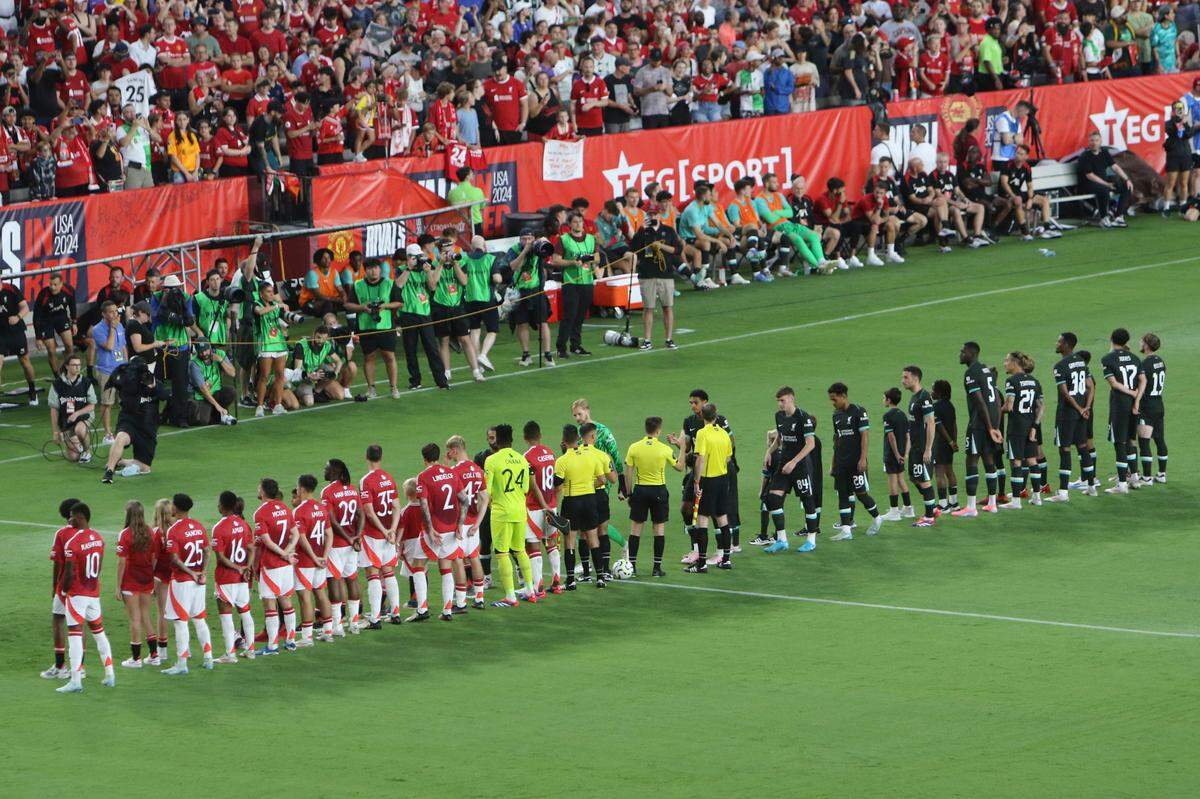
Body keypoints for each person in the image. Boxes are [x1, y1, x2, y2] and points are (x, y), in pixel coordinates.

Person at [55, 502, 117, 693]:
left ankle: (75, 681)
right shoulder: (98, 538)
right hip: (93, 593)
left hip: (77, 594)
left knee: (74, 635)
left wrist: (64, 592)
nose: (70, 519)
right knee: (99, 633)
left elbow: (69, 573)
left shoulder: (73, 542)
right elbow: (99, 568)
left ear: (81, 517)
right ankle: (110, 674)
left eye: (72, 516)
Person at [482, 424, 539, 605]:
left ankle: (510, 596)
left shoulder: (492, 460)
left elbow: (486, 490)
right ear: (512, 440)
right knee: (520, 550)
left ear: (497, 440)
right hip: (520, 510)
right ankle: (530, 590)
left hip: (501, 512)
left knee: (502, 553)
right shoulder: (522, 459)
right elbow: (525, 488)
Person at [161, 493, 216, 675]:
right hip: (199, 582)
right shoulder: (199, 526)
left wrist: (192, 573)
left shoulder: (174, 530)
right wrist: (203, 572)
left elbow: (175, 559)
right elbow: (207, 551)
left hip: (182, 582)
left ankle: (182, 663)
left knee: (180, 622)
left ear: (176, 508)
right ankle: (208, 658)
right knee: (199, 619)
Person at [623, 416, 684, 576]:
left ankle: (632, 567)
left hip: (640, 490)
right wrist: (683, 448)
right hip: (658, 491)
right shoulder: (664, 449)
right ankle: (656, 568)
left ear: (646, 429)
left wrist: (629, 493)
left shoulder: (634, 448)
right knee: (659, 528)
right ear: (658, 430)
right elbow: (679, 467)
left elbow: (628, 472)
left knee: (636, 529)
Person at [415, 442, 469, 620]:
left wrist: (430, 530)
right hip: (451, 529)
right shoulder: (452, 473)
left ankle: (422, 610)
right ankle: (447, 611)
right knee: (446, 567)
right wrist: (460, 524)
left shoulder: (423, 476)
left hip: (435, 531)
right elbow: (465, 500)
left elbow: (423, 505)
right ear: (437, 456)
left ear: (424, 459)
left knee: (418, 566)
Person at [952, 342, 1004, 517]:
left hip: (979, 424)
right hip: (991, 422)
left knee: (972, 461)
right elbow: (997, 399)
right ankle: (992, 503)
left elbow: (980, 402)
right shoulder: (987, 371)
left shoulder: (971, 373)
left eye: (962, 351)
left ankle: (971, 507)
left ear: (971, 353)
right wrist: (996, 426)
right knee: (989, 460)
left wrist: (990, 428)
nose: (960, 354)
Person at [826, 383, 883, 541]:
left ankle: (877, 518)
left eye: (834, 399)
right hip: (841, 463)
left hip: (856, 462)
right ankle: (846, 530)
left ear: (843, 395)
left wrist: (863, 458)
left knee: (861, 493)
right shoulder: (835, 415)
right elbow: (837, 440)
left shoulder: (859, 411)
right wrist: (833, 463)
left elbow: (865, 435)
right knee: (843, 494)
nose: (833, 402)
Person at [101, 354, 169, 484]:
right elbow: (117, 385)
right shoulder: (127, 385)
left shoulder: (151, 380)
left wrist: (153, 386)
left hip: (148, 427)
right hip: (130, 422)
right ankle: (109, 471)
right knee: (121, 438)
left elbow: (165, 395)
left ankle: (119, 461)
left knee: (145, 469)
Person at [555, 423, 605, 590]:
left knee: (570, 540)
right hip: (590, 500)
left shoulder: (562, 460)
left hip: (571, 502)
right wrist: (588, 485)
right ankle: (600, 577)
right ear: (578, 439)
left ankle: (570, 580)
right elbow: (602, 480)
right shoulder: (591, 457)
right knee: (593, 537)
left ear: (563, 440)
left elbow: (557, 483)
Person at [357, 444, 403, 628]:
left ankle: (375, 618)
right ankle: (396, 612)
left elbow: (368, 511)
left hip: (373, 535)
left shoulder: (366, 481)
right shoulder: (388, 478)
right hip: (388, 534)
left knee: (373, 574)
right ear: (381, 457)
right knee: (389, 572)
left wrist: (384, 532)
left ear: (366, 457)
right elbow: (397, 506)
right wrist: (391, 530)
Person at [686, 402, 735, 571]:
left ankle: (701, 564)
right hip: (723, 479)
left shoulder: (702, 433)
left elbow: (700, 459)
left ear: (703, 417)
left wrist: (696, 481)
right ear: (716, 416)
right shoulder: (723, 434)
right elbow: (729, 457)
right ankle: (726, 559)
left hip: (708, 480)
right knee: (722, 518)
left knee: (702, 521)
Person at [252, 478, 299, 653]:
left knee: (270, 604)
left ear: (263, 492)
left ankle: (272, 645)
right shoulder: (285, 508)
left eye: (259, 487)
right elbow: (295, 534)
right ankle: (291, 640)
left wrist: (281, 553)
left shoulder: (260, 513)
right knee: (287, 602)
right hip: (286, 565)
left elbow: (266, 541)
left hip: (271, 565)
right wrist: (287, 551)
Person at [430, 238, 486, 384]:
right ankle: (446, 372)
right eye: (445, 249)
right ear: (440, 250)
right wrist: (441, 264)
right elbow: (432, 284)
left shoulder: (461, 261)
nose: (448, 252)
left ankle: (475, 371)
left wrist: (454, 264)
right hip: (440, 306)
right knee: (444, 340)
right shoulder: (433, 264)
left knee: (465, 339)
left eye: (450, 248)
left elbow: (464, 281)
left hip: (457, 305)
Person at [1048, 332, 1095, 502]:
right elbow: (1091, 386)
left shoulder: (1060, 365)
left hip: (1067, 414)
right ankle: (1091, 487)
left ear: (1067, 344)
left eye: (1059, 341)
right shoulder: (1081, 362)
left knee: (1065, 449)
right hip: (1082, 414)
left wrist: (1078, 407)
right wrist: (1086, 408)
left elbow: (1064, 392)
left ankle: (1063, 493)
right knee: (1083, 447)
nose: (1056, 343)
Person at [395, 245, 450, 390]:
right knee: (410, 350)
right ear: (408, 258)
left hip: (425, 313)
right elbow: (398, 285)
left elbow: (432, 287)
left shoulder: (426, 267)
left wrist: (428, 273)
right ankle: (415, 381)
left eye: (419, 256)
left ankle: (441, 381)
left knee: (432, 349)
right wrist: (409, 268)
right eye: (414, 257)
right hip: (408, 313)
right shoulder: (401, 270)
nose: (418, 259)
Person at [344, 257, 401, 397]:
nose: (373, 271)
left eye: (375, 268)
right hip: (365, 327)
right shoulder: (357, 285)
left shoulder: (389, 283)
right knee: (369, 357)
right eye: (370, 268)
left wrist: (385, 306)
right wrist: (363, 308)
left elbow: (399, 303)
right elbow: (347, 305)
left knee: (389, 356)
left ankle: (394, 387)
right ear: (365, 270)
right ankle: (371, 388)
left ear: (380, 269)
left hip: (386, 326)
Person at [41, 497, 83, 680]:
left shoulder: (62, 534)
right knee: (79, 625)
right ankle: (80, 667)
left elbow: (58, 563)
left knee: (58, 619)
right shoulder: (89, 533)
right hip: (86, 588)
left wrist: (54, 587)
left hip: (66, 586)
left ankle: (60, 666)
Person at [211, 492, 256, 663]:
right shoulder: (243, 524)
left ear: (222, 506)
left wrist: (238, 568)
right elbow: (251, 548)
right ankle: (250, 650)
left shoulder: (219, 528)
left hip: (226, 578)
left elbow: (220, 557)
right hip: (242, 578)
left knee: (226, 616)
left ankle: (230, 654)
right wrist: (246, 567)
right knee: (245, 612)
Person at [552, 212, 601, 359]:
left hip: (587, 282)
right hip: (570, 283)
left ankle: (576, 345)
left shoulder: (592, 239)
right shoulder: (563, 240)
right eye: (575, 222)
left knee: (580, 316)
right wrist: (572, 262)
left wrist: (589, 260)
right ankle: (561, 347)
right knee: (569, 316)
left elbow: (597, 258)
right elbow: (556, 260)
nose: (579, 224)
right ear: (570, 224)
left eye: (580, 221)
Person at [519, 422, 562, 594]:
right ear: (540, 435)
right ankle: (557, 582)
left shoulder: (526, 457)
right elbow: (557, 482)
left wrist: (543, 505)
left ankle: (538, 586)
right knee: (551, 543)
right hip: (552, 505)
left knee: (534, 545)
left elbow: (531, 484)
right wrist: (552, 504)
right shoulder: (551, 453)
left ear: (525, 437)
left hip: (535, 507)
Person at [630, 210, 682, 350]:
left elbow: (678, 249)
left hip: (665, 274)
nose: (652, 217)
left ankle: (669, 339)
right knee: (648, 308)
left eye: (655, 214)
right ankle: (647, 340)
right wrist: (640, 229)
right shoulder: (643, 232)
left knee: (667, 307)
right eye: (650, 215)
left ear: (659, 216)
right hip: (647, 274)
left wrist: (661, 246)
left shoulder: (668, 230)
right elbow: (633, 248)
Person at [115, 500, 158, 669]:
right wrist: (150, 574)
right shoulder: (149, 531)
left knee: (134, 618)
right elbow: (154, 556)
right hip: (146, 579)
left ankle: (136, 658)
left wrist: (118, 586)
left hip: (130, 581)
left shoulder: (125, 534)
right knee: (146, 615)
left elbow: (121, 562)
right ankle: (154, 655)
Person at [321, 458, 362, 635]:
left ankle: (337, 626)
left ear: (334, 472)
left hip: (337, 544)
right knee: (352, 579)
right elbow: (361, 515)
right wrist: (356, 536)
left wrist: (348, 537)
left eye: (327, 468)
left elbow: (331, 520)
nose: (324, 470)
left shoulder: (328, 491)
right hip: (352, 544)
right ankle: (354, 624)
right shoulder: (352, 489)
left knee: (334, 582)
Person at [999, 352, 1044, 509]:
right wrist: (1035, 426)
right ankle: (1037, 497)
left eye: (1006, 360)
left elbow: (1009, 406)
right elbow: (1041, 407)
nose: (1004, 363)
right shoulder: (1034, 381)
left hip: (1016, 427)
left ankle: (1016, 501)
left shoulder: (1011, 381)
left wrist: (997, 410)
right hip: (1030, 426)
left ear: (1014, 363)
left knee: (1016, 463)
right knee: (1032, 460)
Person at [293, 474, 334, 645]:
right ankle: (328, 632)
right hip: (320, 560)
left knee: (305, 598)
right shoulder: (321, 508)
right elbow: (329, 534)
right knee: (321, 594)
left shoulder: (299, 511)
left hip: (305, 562)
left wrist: (314, 558)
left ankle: (307, 637)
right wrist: (323, 557)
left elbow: (301, 538)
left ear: (301, 488)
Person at [1101, 328, 1142, 494]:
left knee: (1120, 443)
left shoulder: (1107, 359)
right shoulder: (1135, 358)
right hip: (1134, 404)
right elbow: (1141, 380)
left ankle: (1122, 484)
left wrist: (1131, 393)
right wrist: (1136, 396)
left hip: (1119, 405)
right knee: (1131, 440)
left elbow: (1113, 383)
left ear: (1111, 338)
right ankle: (1135, 479)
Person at [507, 228, 555, 366]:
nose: (527, 241)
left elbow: (548, 248)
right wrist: (524, 251)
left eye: (530, 239)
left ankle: (547, 354)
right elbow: (514, 266)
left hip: (535, 290)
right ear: (519, 239)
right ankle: (526, 354)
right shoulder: (514, 250)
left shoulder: (537, 247)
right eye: (524, 239)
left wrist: (542, 241)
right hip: (520, 291)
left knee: (543, 322)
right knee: (522, 323)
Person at [152, 273, 195, 428]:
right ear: (164, 289)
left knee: (180, 384)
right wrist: (174, 316)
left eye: (176, 288)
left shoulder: (186, 297)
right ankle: (153, 415)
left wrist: (180, 317)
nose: (174, 292)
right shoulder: (156, 297)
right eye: (170, 289)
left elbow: (189, 319)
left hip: (180, 346)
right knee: (156, 382)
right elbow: (157, 316)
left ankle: (180, 418)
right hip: (161, 346)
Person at [901, 366, 939, 526]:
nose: (903, 381)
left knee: (924, 480)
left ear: (915, 378)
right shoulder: (914, 397)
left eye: (906, 377)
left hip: (923, 446)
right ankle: (933, 507)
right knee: (914, 478)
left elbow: (931, 422)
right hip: (916, 446)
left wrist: (928, 448)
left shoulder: (924, 397)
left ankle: (929, 516)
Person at [459, 235, 499, 371]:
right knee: (492, 330)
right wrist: (499, 278)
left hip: (470, 300)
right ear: (484, 245)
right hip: (487, 299)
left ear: (471, 246)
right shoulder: (490, 259)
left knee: (475, 330)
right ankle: (483, 354)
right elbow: (497, 278)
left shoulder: (465, 259)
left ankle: (478, 363)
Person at [1077, 131, 1134, 226]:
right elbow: (1090, 176)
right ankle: (1104, 218)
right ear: (1088, 142)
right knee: (1103, 189)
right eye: (1092, 140)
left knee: (1126, 186)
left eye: (1096, 140)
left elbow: (1115, 167)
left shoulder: (1104, 152)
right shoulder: (1085, 156)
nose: (1094, 143)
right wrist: (1106, 184)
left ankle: (1119, 216)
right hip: (1087, 184)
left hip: (1102, 182)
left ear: (1100, 142)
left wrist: (1127, 179)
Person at [48, 353, 96, 464]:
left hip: (83, 416)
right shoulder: (57, 384)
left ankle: (87, 451)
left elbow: (92, 405)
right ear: (67, 366)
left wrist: (77, 414)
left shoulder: (86, 382)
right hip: (66, 419)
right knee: (73, 457)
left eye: (79, 365)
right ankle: (75, 443)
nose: (77, 367)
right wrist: (55, 431)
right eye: (74, 365)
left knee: (79, 429)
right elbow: (54, 409)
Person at [251, 280, 290, 416]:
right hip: (266, 345)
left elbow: (282, 321)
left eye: (272, 291)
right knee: (264, 376)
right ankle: (260, 406)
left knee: (280, 375)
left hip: (279, 344)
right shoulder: (256, 305)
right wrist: (277, 305)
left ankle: (278, 405)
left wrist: (287, 314)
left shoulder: (275, 305)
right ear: (261, 294)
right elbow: (260, 312)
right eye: (268, 292)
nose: (271, 294)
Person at [0, 278, 39, 407]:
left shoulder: (11, 289)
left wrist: (17, 317)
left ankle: (32, 391)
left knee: (24, 361)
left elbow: (25, 307)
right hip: (1, 333)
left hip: (15, 331)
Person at [1134, 333, 1167, 484]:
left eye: (1141, 341)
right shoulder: (1160, 361)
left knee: (1144, 442)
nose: (1140, 343)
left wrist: (1135, 403)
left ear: (1146, 345)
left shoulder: (1144, 364)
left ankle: (1146, 477)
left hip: (1147, 406)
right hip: (1159, 405)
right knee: (1159, 440)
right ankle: (1161, 474)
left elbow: (1141, 385)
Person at [33, 272, 76, 374]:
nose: (52, 287)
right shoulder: (43, 295)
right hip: (46, 321)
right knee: (52, 351)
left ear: (61, 284)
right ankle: (57, 376)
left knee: (70, 346)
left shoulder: (69, 290)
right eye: (50, 284)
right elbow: (36, 316)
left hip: (61, 317)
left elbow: (72, 305)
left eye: (55, 285)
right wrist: (38, 337)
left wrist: (74, 322)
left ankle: (68, 371)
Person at [291, 326, 346, 406]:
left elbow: (339, 361)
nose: (320, 341)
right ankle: (295, 392)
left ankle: (317, 391)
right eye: (318, 337)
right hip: (302, 379)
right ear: (313, 334)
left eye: (324, 338)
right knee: (309, 402)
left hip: (316, 374)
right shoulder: (301, 346)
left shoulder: (327, 345)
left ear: (327, 338)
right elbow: (297, 372)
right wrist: (311, 376)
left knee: (340, 395)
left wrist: (335, 374)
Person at [187, 338, 236, 425]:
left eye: (206, 350)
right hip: (202, 396)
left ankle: (219, 413)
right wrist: (218, 407)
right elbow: (203, 389)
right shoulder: (194, 363)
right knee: (203, 421)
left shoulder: (220, 353)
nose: (204, 354)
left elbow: (233, 373)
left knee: (231, 392)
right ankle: (219, 414)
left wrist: (221, 360)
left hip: (216, 391)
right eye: (201, 351)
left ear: (210, 347)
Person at [881, 387, 912, 521]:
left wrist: (897, 454)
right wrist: (905, 453)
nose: (883, 400)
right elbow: (908, 436)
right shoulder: (902, 414)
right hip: (901, 454)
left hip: (892, 455)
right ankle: (908, 508)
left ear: (889, 400)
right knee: (901, 479)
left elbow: (891, 436)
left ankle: (894, 512)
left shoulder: (888, 416)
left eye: (884, 398)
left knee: (892, 481)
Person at [931, 380, 960, 511]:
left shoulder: (935, 407)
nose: (931, 392)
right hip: (949, 444)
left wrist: (948, 441)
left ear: (939, 392)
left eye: (933, 389)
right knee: (950, 471)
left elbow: (939, 426)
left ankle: (943, 504)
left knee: (939, 473)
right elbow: (954, 425)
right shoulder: (950, 405)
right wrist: (954, 441)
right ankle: (954, 503)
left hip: (940, 443)